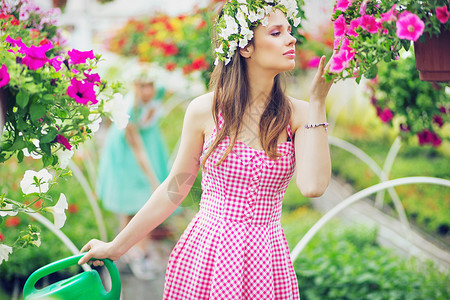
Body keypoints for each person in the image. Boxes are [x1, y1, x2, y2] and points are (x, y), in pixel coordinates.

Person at [80, 1, 334, 298]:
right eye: (276, 33)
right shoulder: (205, 110)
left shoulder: (300, 114)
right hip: (208, 253)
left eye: (289, 31)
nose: (291, 39)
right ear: (245, 47)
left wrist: (318, 104)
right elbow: (175, 188)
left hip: (266, 258)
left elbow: (313, 187)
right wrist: (117, 247)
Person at [96, 72, 171, 279]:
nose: (148, 90)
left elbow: (166, 87)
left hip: (143, 149)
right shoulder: (129, 109)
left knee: (135, 205)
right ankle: (138, 254)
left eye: (150, 85)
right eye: (142, 86)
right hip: (125, 157)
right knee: (137, 204)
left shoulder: (155, 95)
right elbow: (137, 149)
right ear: (135, 86)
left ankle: (131, 252)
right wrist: (155, 181)